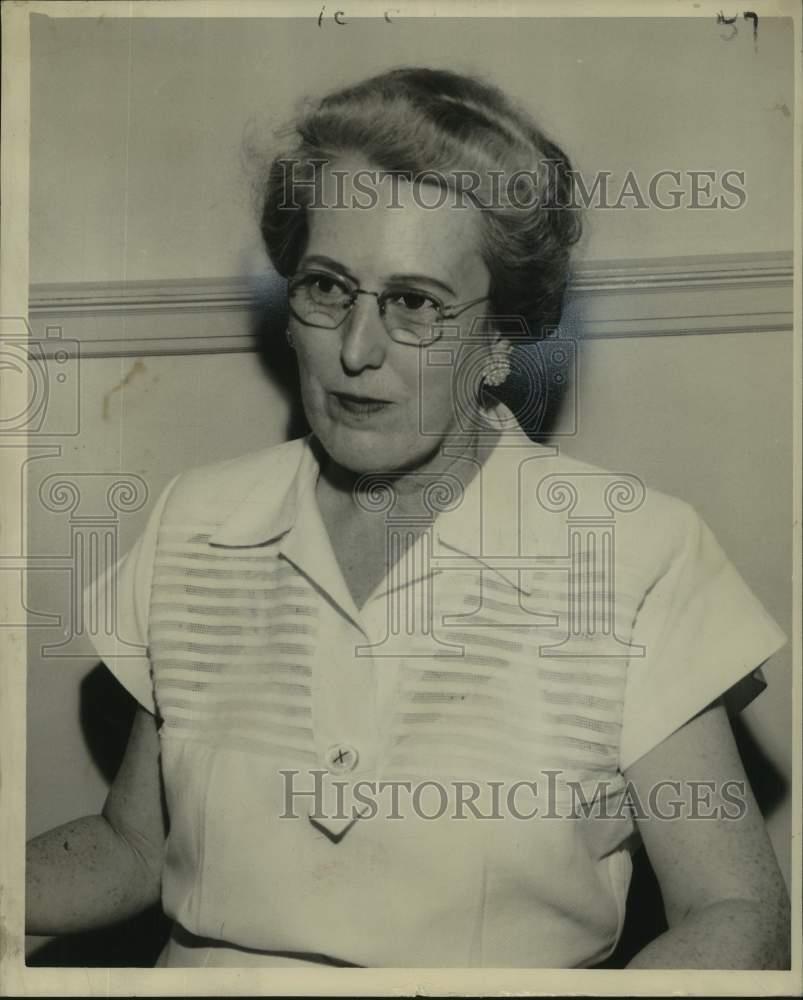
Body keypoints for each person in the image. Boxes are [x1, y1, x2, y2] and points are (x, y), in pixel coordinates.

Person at [26, 66, 790, 970]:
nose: (356, 349)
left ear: (500, 338)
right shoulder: (200, 520)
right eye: (326, 288)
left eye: (415, 304)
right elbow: (136, 846)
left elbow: (735, 908)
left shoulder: (631, 553)